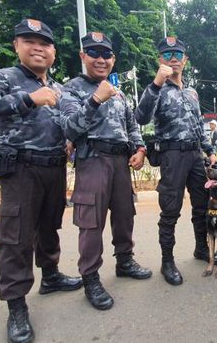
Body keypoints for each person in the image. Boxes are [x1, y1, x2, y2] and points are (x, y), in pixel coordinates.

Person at [0, 19, 82, 343]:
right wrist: (27, 100)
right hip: (21, 171)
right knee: (16, 239)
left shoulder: (59, 89)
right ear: (17, 46)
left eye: (44, 43)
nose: (37, 48)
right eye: (29, 41)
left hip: (54, 169)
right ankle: (16, 307)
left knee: (48, 227)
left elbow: (69, 123)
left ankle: (51, 276)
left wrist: (70, 138)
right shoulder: (4, 78)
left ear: (54, 51)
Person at [60, 32, 152, 311]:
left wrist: (139, 149)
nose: (101, 59)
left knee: (125, 215)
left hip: (121, 162)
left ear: (113, 59)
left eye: (106, 54)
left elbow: (132, 124)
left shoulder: (119, 92)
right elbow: (69, 128)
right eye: (94, 53)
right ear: (82, 56)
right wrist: (94, 100)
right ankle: (90, 277)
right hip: (93, 161)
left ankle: (124, 261)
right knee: (91, 223)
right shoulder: (72, 89)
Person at [135, 36, 217, 286]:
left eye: (178, 54)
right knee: (170, 209)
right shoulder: (156, 90)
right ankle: (167, 261)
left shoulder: (192, 92)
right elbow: (140, 117)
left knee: (202, 205)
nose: (173, 58)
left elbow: (199, 125)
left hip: (194, 156)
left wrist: (210, 151)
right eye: (168, 54)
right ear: (160, 59)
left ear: (185, 60)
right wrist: (156, 84)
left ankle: (201, 248)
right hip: (171, 155)